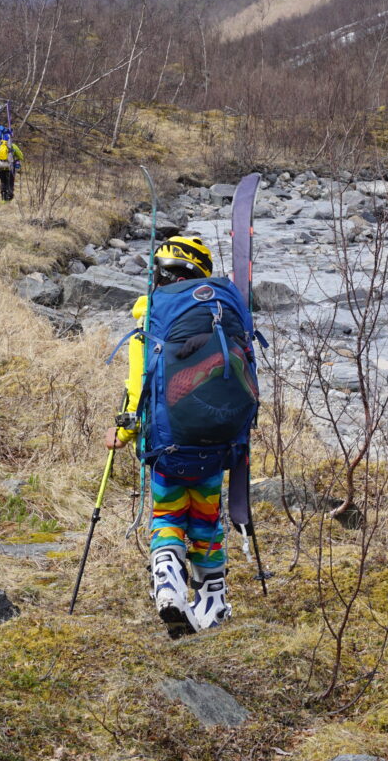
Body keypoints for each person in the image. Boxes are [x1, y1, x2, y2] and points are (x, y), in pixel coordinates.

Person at [105, 235, 233, 634]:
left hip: (165, 444)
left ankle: (168, 580)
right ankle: (211, 602)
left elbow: (139, 385)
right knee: (207, 520)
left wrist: (124, 431)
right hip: (214, 443)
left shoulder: (149, 319)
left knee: (168, 513)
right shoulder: (221, 314)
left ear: (157, 275)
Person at [0, 125, 23, 201]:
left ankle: (3, 197)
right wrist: (17, 159)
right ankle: (10, 195)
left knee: (3, 181)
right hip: (10, 166)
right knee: (10, 181)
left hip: (1, 166)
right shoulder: (13, 146)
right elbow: (21, 156)